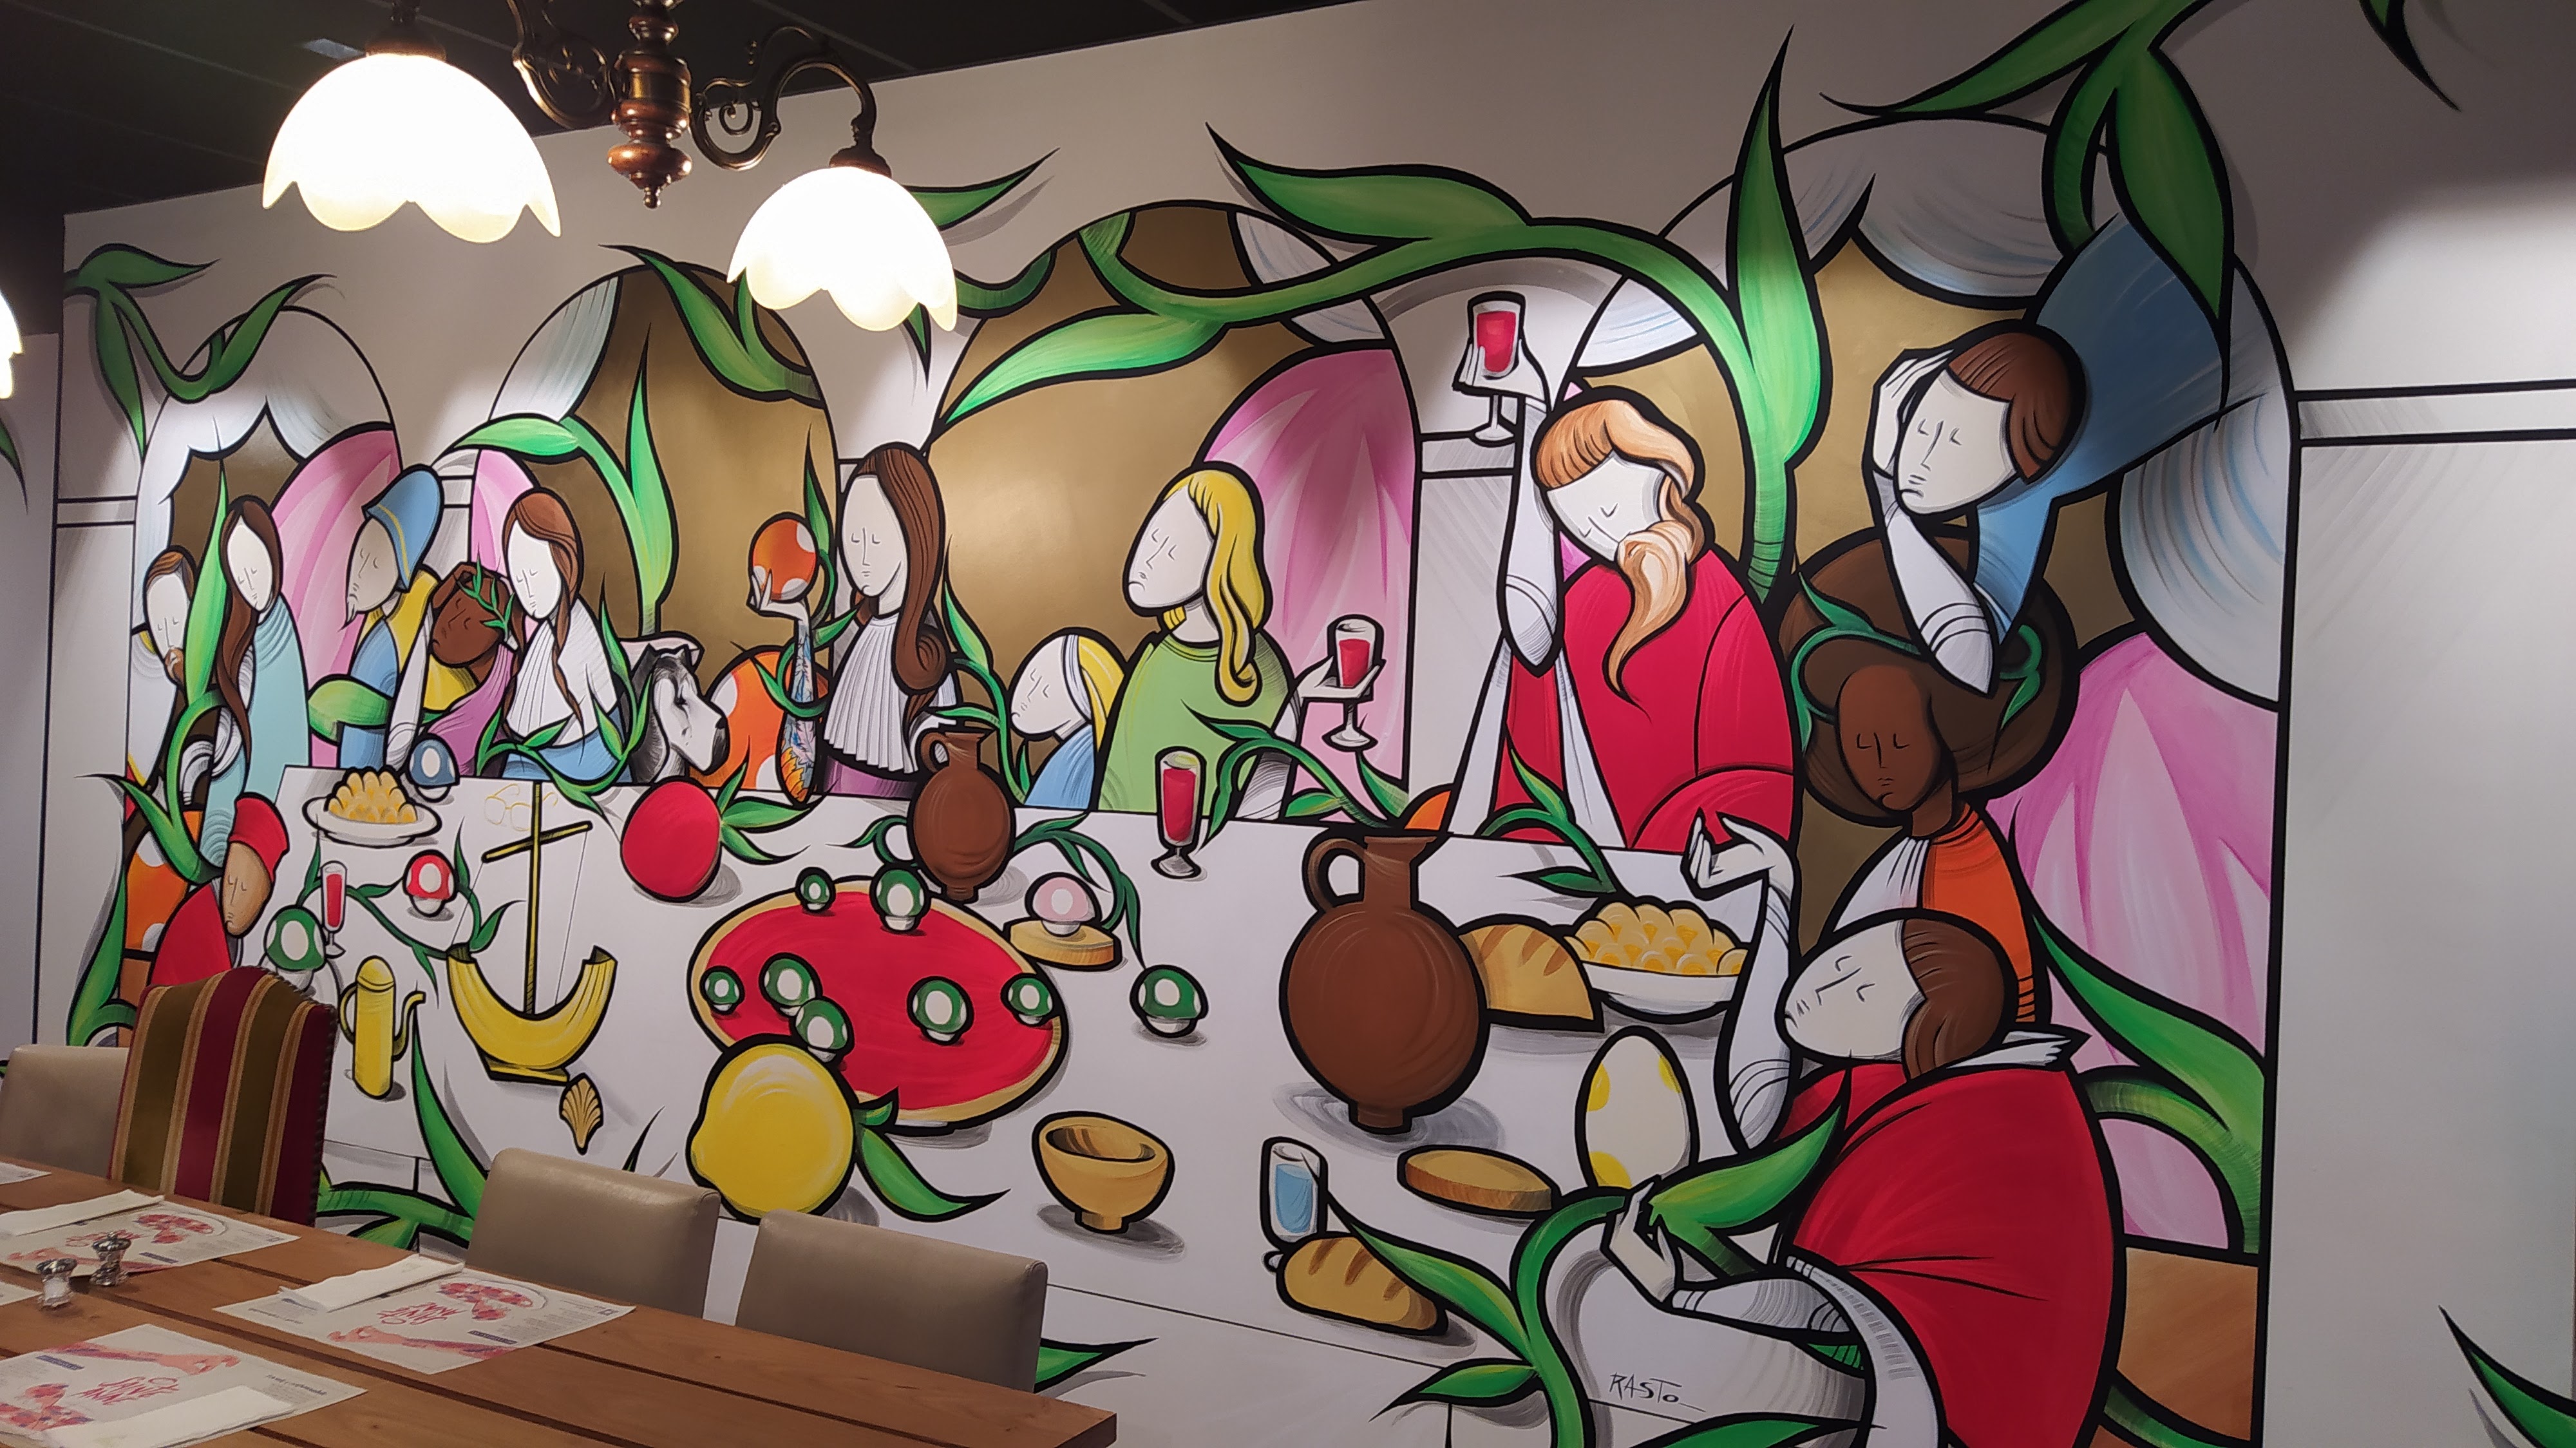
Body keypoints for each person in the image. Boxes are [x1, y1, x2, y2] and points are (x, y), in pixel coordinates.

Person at [1599, 815, 2115, 1448]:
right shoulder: (1928, 1078)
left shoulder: (1965, 1127)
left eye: (1860, 991)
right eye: (1840, 959)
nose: (1822, 985)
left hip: (1952, 1424)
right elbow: (1759, 1103)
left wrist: (1677, 1294)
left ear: (1920, 1035)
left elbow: (1827, 1306)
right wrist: (1778, 893)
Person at [1783, 537, 2079, 1025]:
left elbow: (1980, 1020)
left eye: (1898, 741)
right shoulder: (1913, 854)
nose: (1880, 763)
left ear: (1944, 729)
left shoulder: (1964, 865)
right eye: (1860, 744)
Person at [1486, 392, 1795, 851]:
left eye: (1607, 501)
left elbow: (1751, 765)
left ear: (1661, 470)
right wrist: (1532, 844)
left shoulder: (1717, 595)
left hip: (1686, 857)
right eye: (1576, 521)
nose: (1597, 527)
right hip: (1579, 860)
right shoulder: (1575, 601)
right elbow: (1529, 752)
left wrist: (1677, 849)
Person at [1866, 323, 2083, 693]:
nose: (1923, 460)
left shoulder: (2020, 505)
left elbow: (1971, 658)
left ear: (2023, 462)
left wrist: (1889, 496)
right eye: (1922, 429)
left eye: (1957, 443)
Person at [1096, 465, 1298, 821]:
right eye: (1151, 538)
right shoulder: (1155, 656)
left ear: (1221, 560)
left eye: (1171, 549)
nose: (1147, 561)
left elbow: (1263, 805)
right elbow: (1115, 786)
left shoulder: (1254, 670)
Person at [820, 443, 956, 797]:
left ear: (916, 539)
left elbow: (942, 762)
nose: (862, 557)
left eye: (877, 539)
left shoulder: (925, 657)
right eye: (853, 538)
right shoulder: (867, 635)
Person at [200, 497, 308, 862]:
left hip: (269, 802)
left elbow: (281, 741)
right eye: (239, 573)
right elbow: (231, 733)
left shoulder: (279, 631)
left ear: (273, 556)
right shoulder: (241, 635)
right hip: (235, 792)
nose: (249, 581)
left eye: (254, 565)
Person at [495, 490, 621, 783]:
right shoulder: (545, 633)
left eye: (534, 573)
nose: (527, 591)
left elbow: (595, 752)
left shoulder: (579, 632)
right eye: (518, 578)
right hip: (535, 767)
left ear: (563, 561)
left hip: (578, 770)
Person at [339, 467, 455, 768]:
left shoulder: (415, 621)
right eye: (361, 555)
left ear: (403, 571)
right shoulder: (379, 616)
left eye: (376, 564)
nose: (359, 575)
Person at [146, 794, 289, 989]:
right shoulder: (202, 919)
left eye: (244, 889)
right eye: (230, 882)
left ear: (264, 895)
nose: (233, 899)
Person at [1012, 629, 1126, 812]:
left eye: (1045, 691)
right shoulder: (1079, 750)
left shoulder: (1078, 758)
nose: (1029, 695)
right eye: (1032, 678)